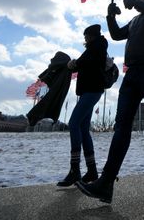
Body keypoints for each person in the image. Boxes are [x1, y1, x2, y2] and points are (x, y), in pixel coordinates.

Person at [75, 0, 144, 204]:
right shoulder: (134, 21)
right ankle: (106, 183)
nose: (129, 3)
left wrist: (139, 3)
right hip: (132, 75)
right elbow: (115, 35)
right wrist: (110, 17)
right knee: (121, 126)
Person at [57, 24, 108, 187]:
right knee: (84, 130)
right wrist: (76, 64)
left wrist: (75, 64)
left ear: (92, 36)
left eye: (86, 35)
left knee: (74, 124)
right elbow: (86, 62)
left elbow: (87, 62)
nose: (85, 38)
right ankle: (92, 170)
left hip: (92, 90)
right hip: (89, 91)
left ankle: (75, 170)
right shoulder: (94, 48)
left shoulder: (98, 46)